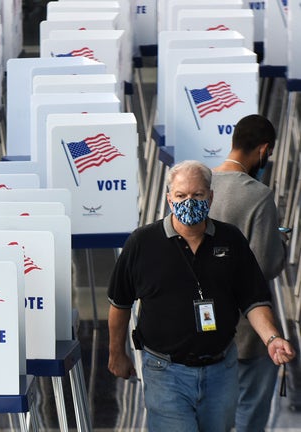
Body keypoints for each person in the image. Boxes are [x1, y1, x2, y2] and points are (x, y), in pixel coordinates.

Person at [107, 160, 295, 432]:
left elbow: (253, 298)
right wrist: (116, 353)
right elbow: (119, 303)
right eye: (181, 195)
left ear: (211, 196)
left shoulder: (230, 240)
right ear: (169, 198)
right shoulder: (143, 243)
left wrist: (272, 338)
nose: (189, 202)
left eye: (198, 195)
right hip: (165, 372)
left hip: (221, 370)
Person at [210, 114, 287, 432]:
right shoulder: (258, 195)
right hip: (247, 331)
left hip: (202, 328)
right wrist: (280, 240)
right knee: (247, 416)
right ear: (264, 150)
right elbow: (265, 266)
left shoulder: (196, 186)